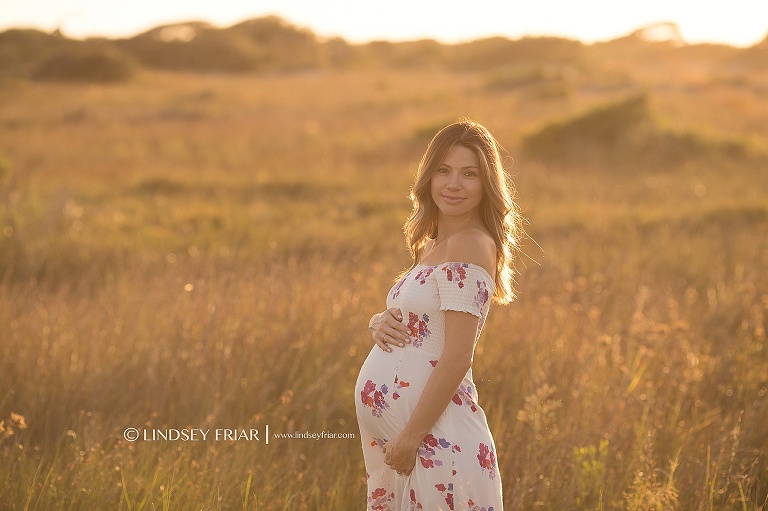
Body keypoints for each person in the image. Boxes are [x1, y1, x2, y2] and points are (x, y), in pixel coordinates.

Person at [354, 119, 524, 510]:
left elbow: (458, 354)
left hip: (437, 444)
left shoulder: (470, 244)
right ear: (428, 177)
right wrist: (378, 322)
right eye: (444, 171)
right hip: (403, 450)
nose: (454, 184)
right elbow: (422, 321)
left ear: (487, 185)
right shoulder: (433, 244)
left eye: (469, 174)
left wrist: (411, 436)